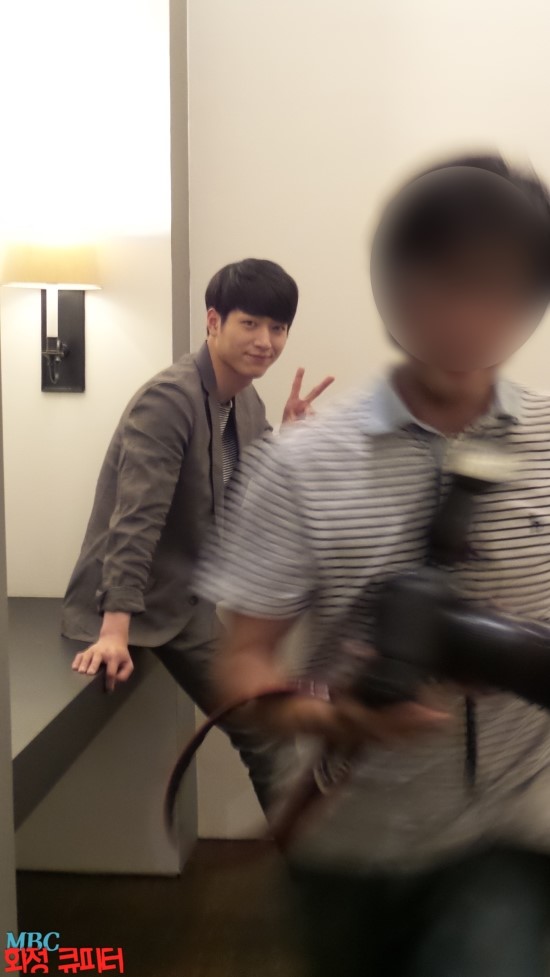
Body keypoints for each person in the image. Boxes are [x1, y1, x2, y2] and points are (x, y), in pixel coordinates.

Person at [195, 157, 550, 976]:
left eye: (500, 283)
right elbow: (243, 666)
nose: (469, 311)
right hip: (349, 844)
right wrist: (337, 714)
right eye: (444, 279)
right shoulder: (301, 463)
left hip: (511, 839)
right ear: (396, 287)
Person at [62, 257, 333, 808]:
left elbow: (247, 497)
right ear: (213, 321)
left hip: (192, 600)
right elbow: (136, 518)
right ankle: (314, 856)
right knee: (268, 736)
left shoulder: (246, 402)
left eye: (277, 327)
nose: (265, 341)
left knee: (275, 726)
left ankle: (315, 848)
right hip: (141, 603)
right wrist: (114, 630)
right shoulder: (169, 399)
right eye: (249, 323)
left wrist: (287, 438)